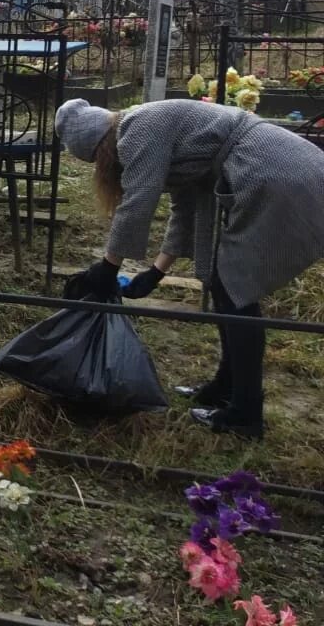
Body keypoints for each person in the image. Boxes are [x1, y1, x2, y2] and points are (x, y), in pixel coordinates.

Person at [55, 97, 324, 439]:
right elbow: (184, 208)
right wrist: (156, 272)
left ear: (99, 146)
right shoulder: (152, 133)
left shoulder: (136, 128)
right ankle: (226, 387)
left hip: (274, 169)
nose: (102, 168)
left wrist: (107, 268)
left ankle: (245, 414)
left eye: (96, 160)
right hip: (271, 165)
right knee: (222, 283)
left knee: (235, 290)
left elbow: (139, 201)